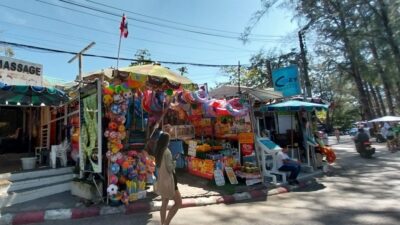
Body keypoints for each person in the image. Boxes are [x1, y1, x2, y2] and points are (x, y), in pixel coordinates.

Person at [154, 133, 181, 225]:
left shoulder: (159, 151)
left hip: (162, 180)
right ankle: (166, 223)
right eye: (169, 140)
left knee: (164, 204)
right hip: (170, 180)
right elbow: (170, 168)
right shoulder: (167, 151)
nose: (170, 142)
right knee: (178, 203)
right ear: (166, 141)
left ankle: (163, 223)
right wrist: (175, 161)